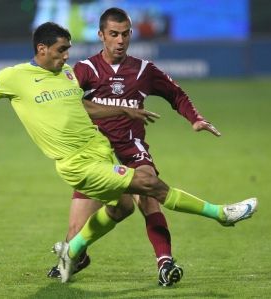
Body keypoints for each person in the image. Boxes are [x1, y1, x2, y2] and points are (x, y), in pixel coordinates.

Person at [0, 21, 258, 285]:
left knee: (123, 208)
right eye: (61, 50)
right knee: (148, 185)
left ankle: (73, 252)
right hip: (77, 164)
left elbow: (84, 106)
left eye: (68, 49)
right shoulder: (12, 77)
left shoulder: (68, 74)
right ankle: (221, 214)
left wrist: (123, 110)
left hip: (99, 151)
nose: (67, 55)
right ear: (42, 49)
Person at [46, 7, 222, 287]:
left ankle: (165, 263)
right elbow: (68, 106)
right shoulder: (85, 70)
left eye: (125, 34)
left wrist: (195, 118)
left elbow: (176, 94)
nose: (120, 41)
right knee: (75, 231)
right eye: (114, 34)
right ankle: (76, 257)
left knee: (149, 190)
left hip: (132, 152)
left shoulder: (144, 70)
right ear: (101, 35)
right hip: (96, 157)